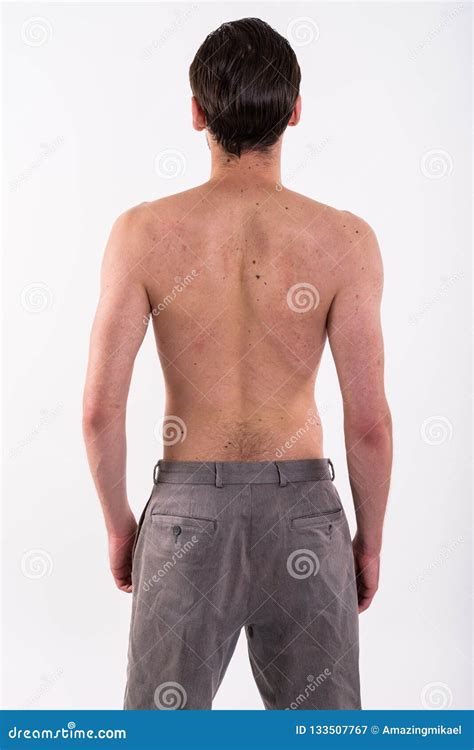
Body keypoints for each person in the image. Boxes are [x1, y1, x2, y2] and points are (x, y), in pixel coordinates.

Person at [83, 17, 392, 710]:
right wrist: (367, 541)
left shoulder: (142, 233)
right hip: (306, 515)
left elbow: (99, 409)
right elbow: (369, 422)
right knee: (325, 732)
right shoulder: (345, 239)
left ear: (196, 113)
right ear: (295, 110)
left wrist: (120, 525)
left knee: (162, 732)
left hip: (188, 515)